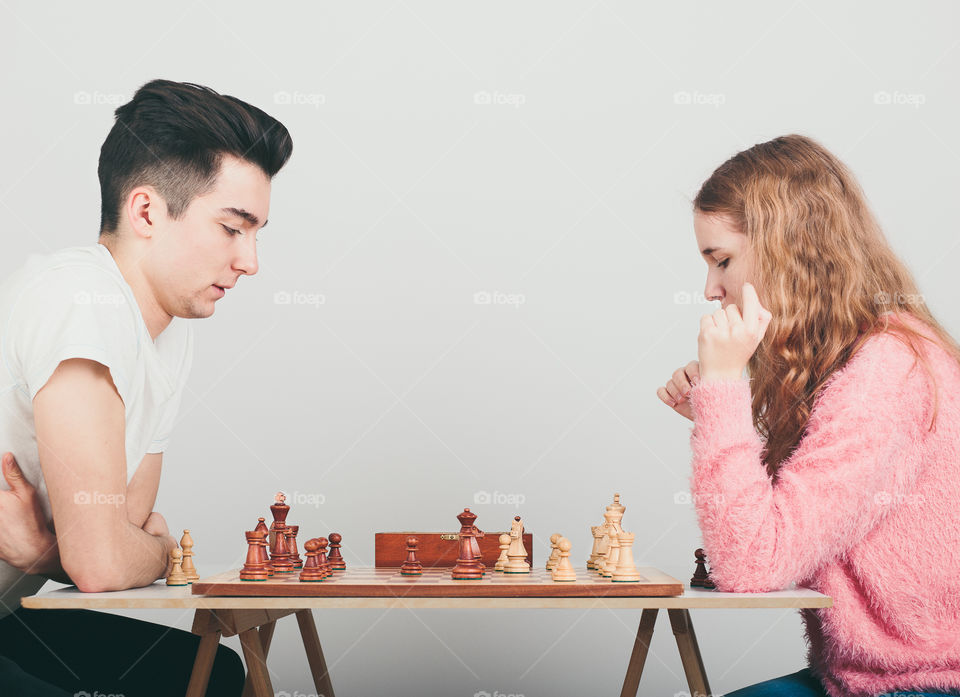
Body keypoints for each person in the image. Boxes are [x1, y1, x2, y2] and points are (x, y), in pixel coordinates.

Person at [0, 79, 293, 696]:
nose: (251, 262)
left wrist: (46, 553)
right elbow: (107, 560)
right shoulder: (80, 303)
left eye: (256, 232)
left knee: (211, 676)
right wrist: (157, 552)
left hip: (7, 615)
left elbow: (120, 526)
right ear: (146, 212)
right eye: (232, 228)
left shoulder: (166, 331)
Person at [657, 134, 960, 697]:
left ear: (789, 247)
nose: (710, 289)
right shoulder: (875, 354)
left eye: (722, 260)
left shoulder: (888, 371)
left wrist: (725, 387)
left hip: (922, 685)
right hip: (857, 679)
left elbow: (751, 563)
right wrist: (715, 419)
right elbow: (811, 519)